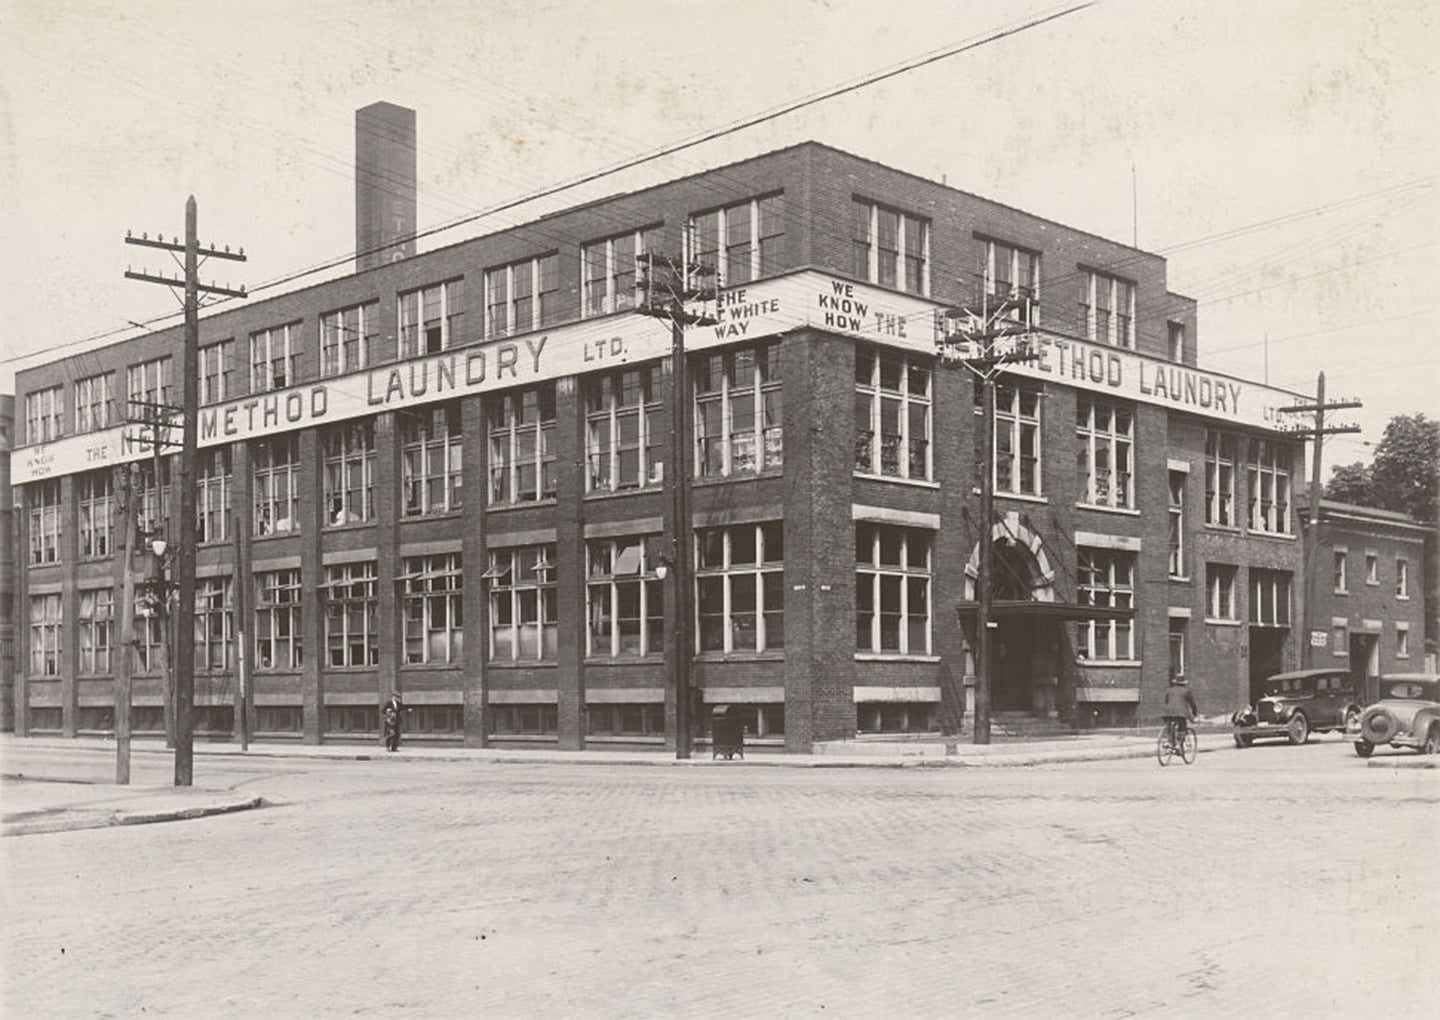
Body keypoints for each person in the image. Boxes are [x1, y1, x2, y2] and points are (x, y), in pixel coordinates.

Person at [1162, 675, 1199, 743]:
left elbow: (1166, 701)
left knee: (1169, 727)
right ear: (1184, 683)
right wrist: (1195, 713)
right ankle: (1179, 744)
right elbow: (1192, 703)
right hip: (1180, 713)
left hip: (1167, 712)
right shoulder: (1186, 691)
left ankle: (1169, 741)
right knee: (1182, 727)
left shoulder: (1169, 690)